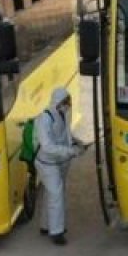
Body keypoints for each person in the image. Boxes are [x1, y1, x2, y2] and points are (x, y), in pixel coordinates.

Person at [35, 87, 84, 246]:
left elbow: (65, 134)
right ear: (58, 101)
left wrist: (77, 142)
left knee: (54, 192)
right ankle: (56, 232)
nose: (68, 104)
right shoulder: (45, 118)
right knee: (56, 194)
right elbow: (47, 146)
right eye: (65, 101)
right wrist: (70, 151)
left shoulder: (62, 114)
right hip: (47, 163)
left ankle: (45, 225)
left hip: (61, 161)